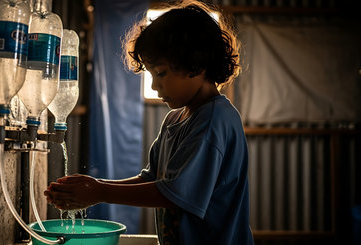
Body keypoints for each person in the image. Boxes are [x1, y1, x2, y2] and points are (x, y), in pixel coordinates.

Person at [44, 0, 254, 244]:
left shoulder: (214, 120)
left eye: (161, 73)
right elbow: (151, 180)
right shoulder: (175, 119)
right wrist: (94, 185)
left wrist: (99, 192)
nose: (154, 86)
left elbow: (174, 194)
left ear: (196, 65)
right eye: (152, 75)